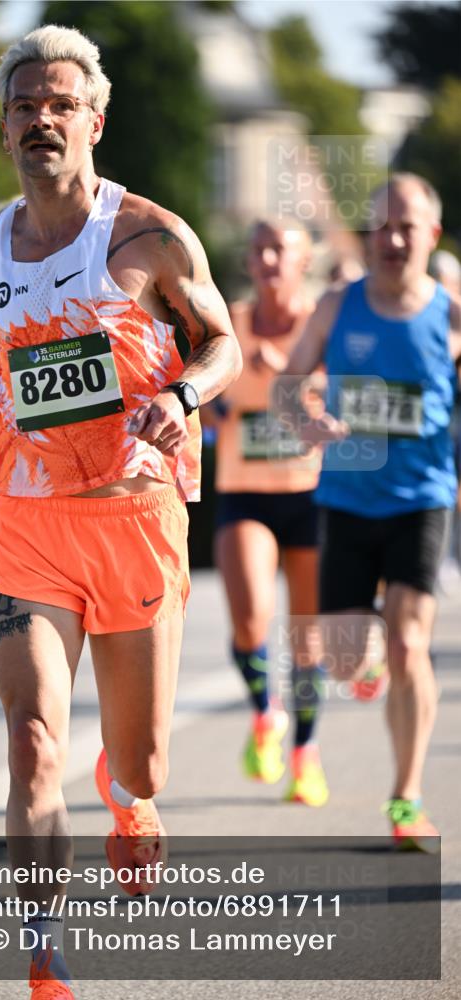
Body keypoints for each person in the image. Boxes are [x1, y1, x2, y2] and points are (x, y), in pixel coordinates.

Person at [0, 24, 241, 999]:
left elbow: (223, 344)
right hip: (29, 524)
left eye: (60, 105)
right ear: (4, 128)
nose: (42, 119)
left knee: (141, 758)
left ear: (94, 121)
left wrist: (181, 397)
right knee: (32, 739)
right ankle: (45, 951)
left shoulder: (149, 236)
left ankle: (128, 796)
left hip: (134, 519)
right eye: (25, 106)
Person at [279, 173, 461, 851]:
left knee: (411, 643)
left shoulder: (450, 315)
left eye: (405, 227)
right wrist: (306, 420)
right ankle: (374, 652)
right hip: (347, 501)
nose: (392, 239)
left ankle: (406, 798)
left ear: (430, 235)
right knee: (345, 664)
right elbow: (288, 384)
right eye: (381, 226)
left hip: (421, 499)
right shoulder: (337, 304)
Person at [208, 219, 328, 807]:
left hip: (312, 494)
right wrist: (216, 405)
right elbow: (198, 397)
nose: (270, 258)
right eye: (260, 249)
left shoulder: (322, 323)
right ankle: (265, 713)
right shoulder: (228, 321)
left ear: (304, 260)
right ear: (250, 262)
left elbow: (344, 404)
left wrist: (284, 370)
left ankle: (305, 756)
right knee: (251, 621)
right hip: (245, 491)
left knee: (308, 639)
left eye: (281, 248)